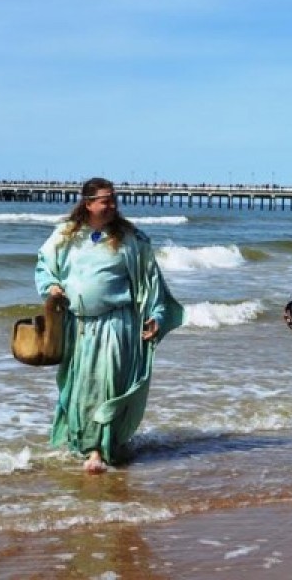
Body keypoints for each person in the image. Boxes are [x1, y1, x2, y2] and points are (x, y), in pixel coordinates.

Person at [35, 177, 185, 473]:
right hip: (77, 326)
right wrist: (51, 285)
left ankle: (100, 449)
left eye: (114, 199)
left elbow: (150, 280)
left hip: (117, 325)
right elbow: (44, 265)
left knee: (109, 384)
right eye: (106, 200)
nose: (113, 205)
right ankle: (85, 443)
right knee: (81, 389)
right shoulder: (65, 235)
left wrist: (156, 315)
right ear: (88, 203)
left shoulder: (132, 238)